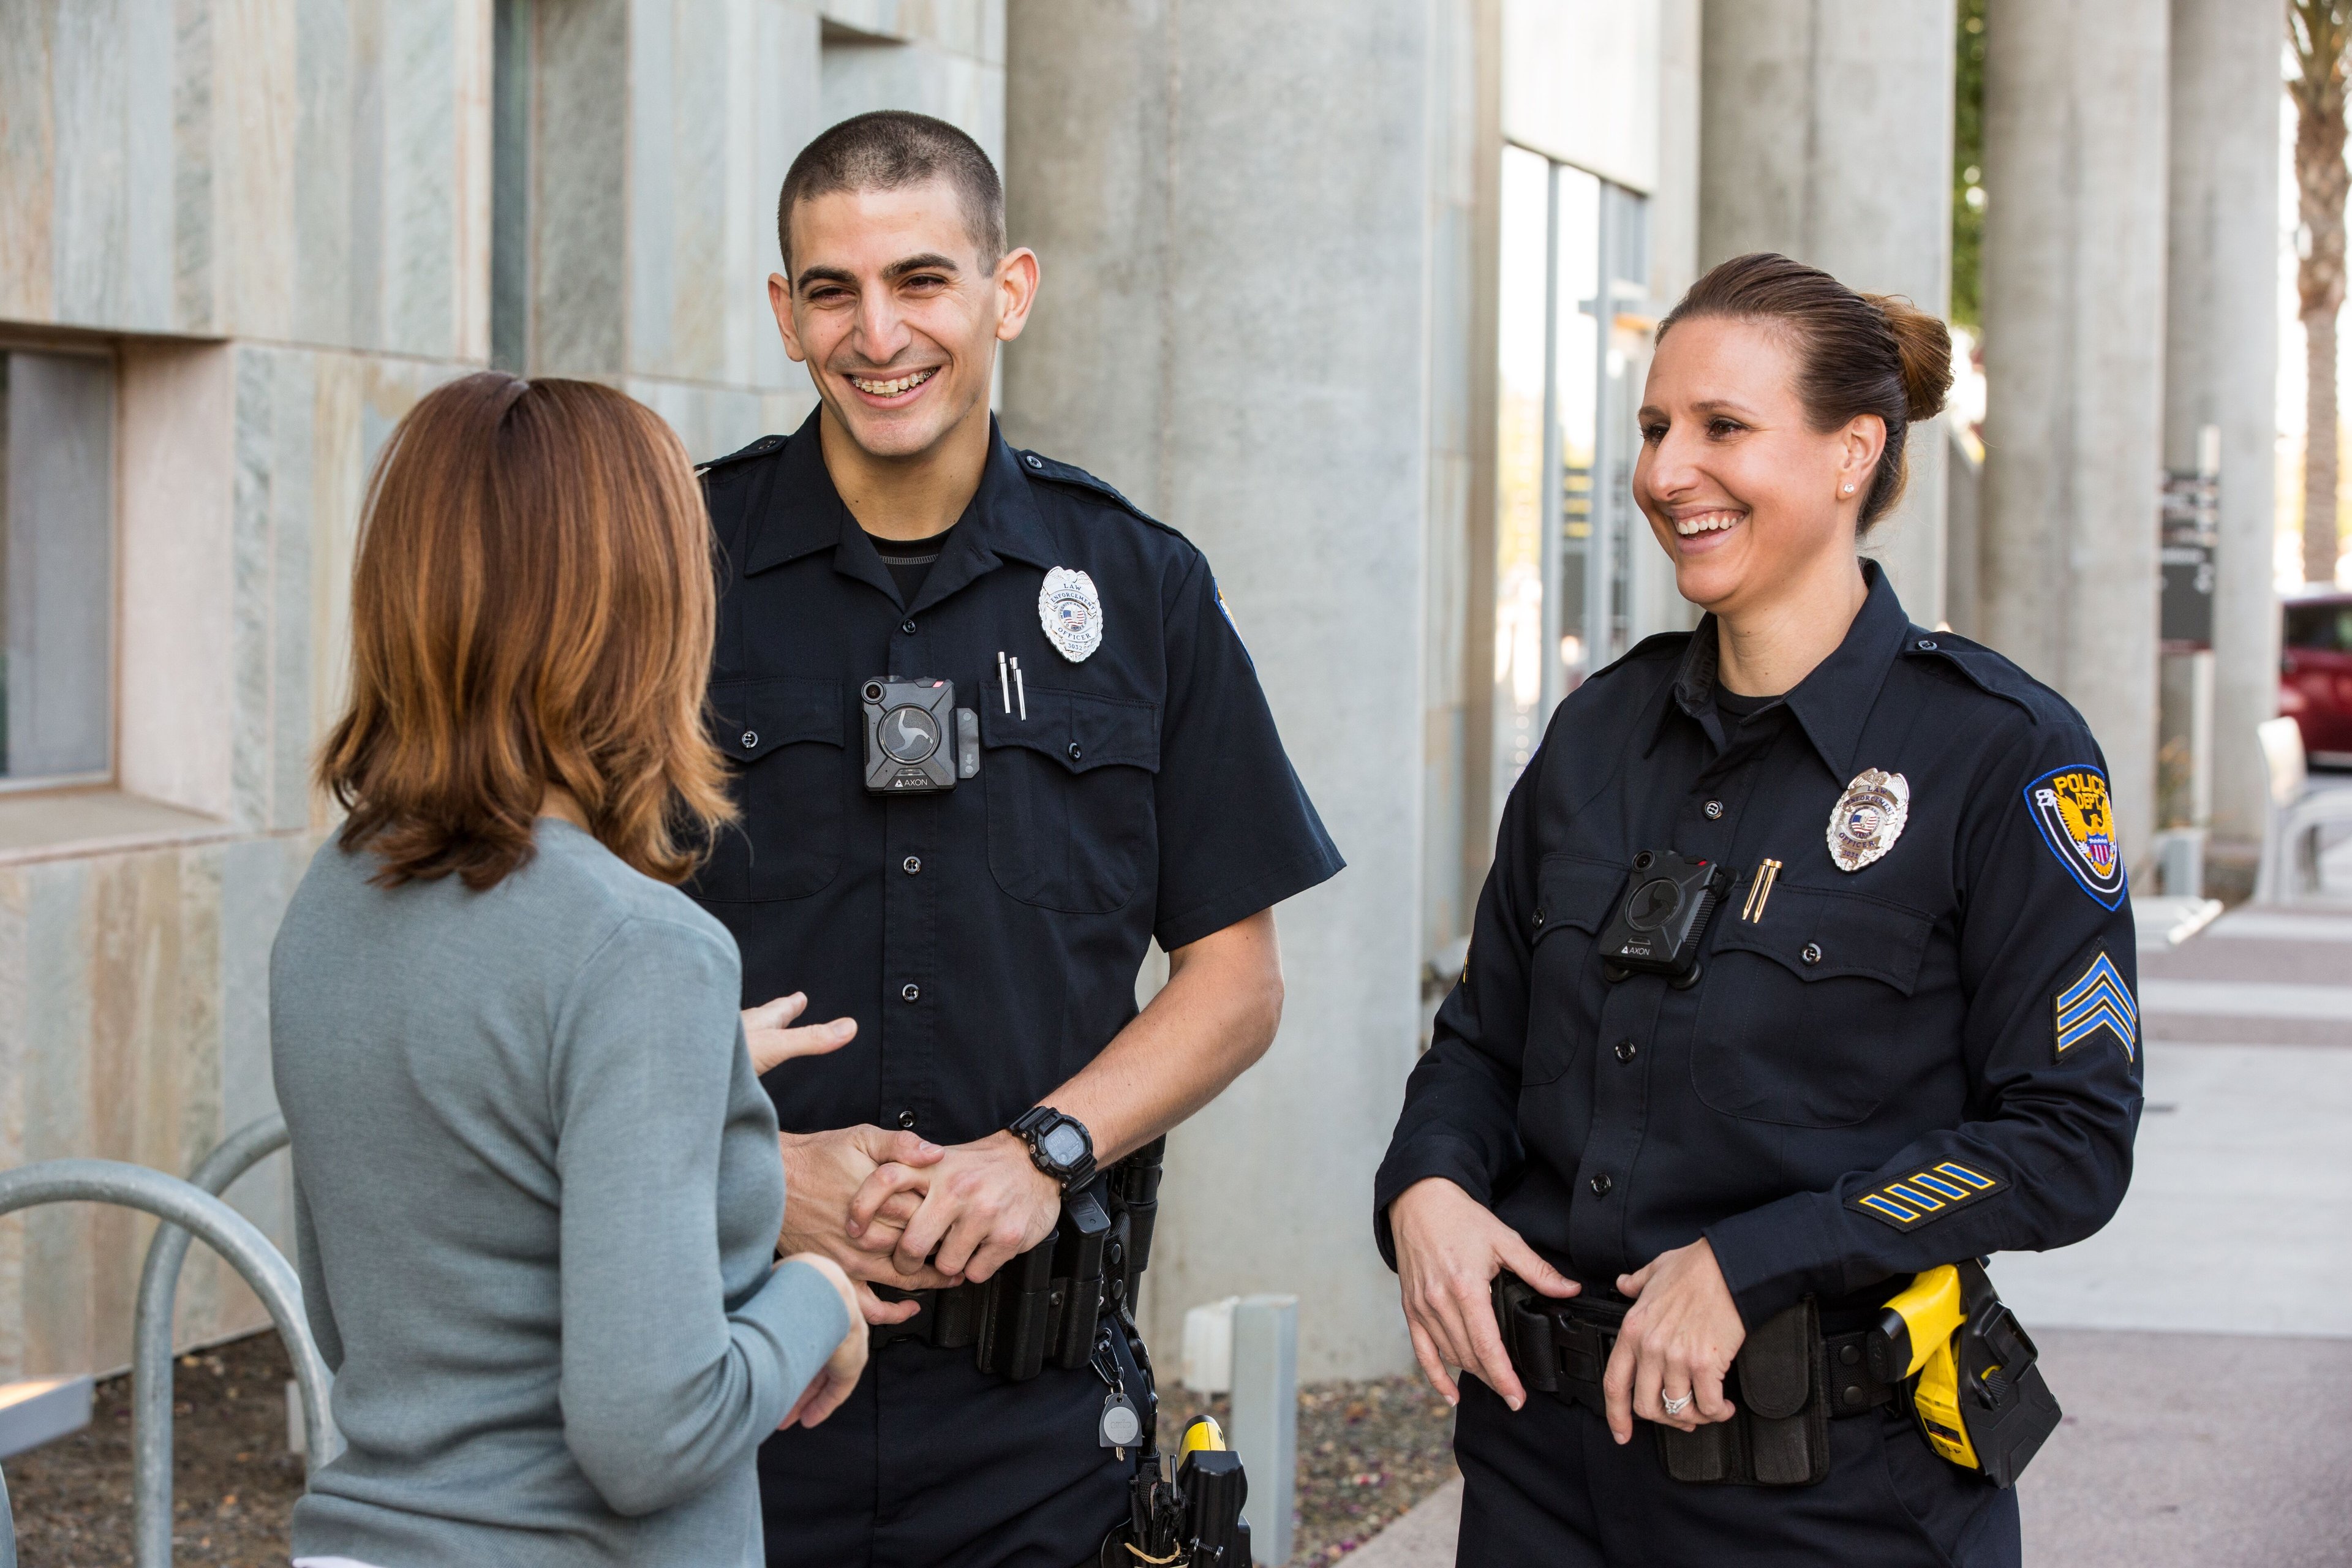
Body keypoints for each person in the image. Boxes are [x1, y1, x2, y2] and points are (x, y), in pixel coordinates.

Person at [1374, 252, 2142, 1565]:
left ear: (1853, 455)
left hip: (1829, 1491)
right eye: (1656, 427)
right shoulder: (1595, 732)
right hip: (1540, 1476)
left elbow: (2065, 1134)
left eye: (1724, 428)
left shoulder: (2000, 754)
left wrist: (1759, 1256)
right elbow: (1482, 1043)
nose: (1669, 471)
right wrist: (1425, 1185)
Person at [687, 110, 1344, 1567]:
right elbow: (547, 961)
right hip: (722, 1383)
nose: (880, 333)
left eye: (922, 280)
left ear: (1009, 291)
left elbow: (1237, 983)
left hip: (1032, 1421)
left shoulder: (1143, 586)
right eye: (834, 291)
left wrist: (1042, 1152)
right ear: (784, 315)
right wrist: (745, 1168)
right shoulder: (671, 572)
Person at [271, 373, 869, 1567]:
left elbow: (360, 1327)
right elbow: (647, 1435)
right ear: (643, 610)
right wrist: (823, 1300)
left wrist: (670, 1067)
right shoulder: (640, 948)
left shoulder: (329, 901)